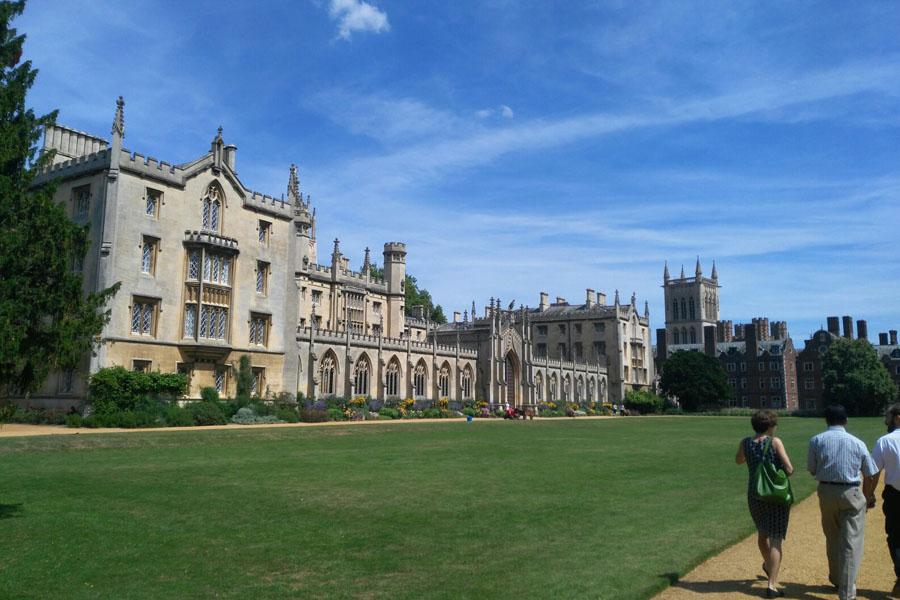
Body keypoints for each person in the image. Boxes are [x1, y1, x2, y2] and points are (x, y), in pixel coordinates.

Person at [807, 404, 878, 600]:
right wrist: (868, 495)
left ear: (826, 420)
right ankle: (846, 592)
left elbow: (812, 469)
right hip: (851, 492)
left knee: (832, 537)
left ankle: (837, 579)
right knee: (851, 542)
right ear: (846, 421)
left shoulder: (816, 440)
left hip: (826, 491)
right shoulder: (857, 442)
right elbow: (870, 473)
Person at [736, 409, 794, 598]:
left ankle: (769, 566)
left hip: (755, 495)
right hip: (776, 497)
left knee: (762, 535)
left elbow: (739, 460)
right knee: (776, 539)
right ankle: (772, 585)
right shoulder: (775, 442)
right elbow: (789, 469)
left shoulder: (746, 443)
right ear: (770, 426)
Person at [870, 403, 900, 598]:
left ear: (898, 418)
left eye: (888, 417)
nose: (885, 420)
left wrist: (869, 494)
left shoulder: (885, 440)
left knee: (896, 538)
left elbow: (873, 472)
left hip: (895, 495)